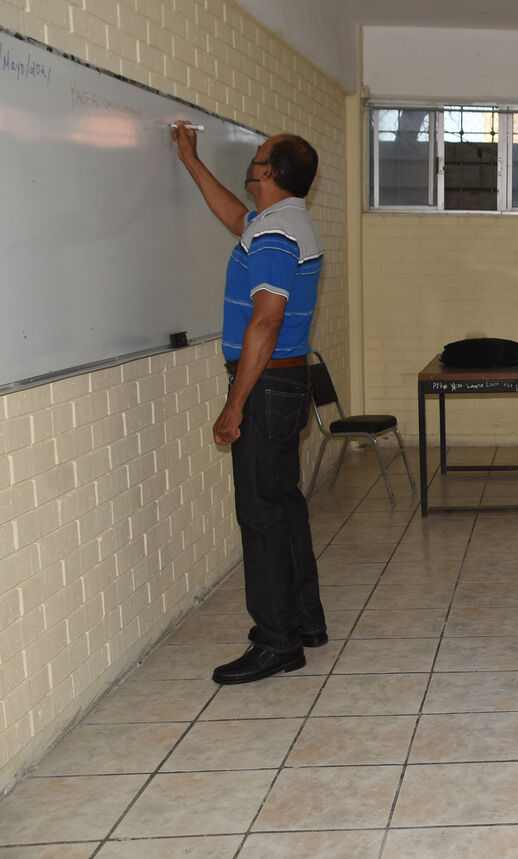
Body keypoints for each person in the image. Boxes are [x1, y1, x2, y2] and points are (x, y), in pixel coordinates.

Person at [172, 122, 327, 684]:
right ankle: (304, 623)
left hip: (265, 387)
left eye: (259, 157)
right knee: (283, 506)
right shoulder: (278, 222)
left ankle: (276, 642)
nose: (252, 161)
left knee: (260, 515)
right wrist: (191, 161)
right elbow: (236, 217)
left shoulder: (276, 233)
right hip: (284, 384)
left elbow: (266, 321)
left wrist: (234, 404)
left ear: (270, 172)